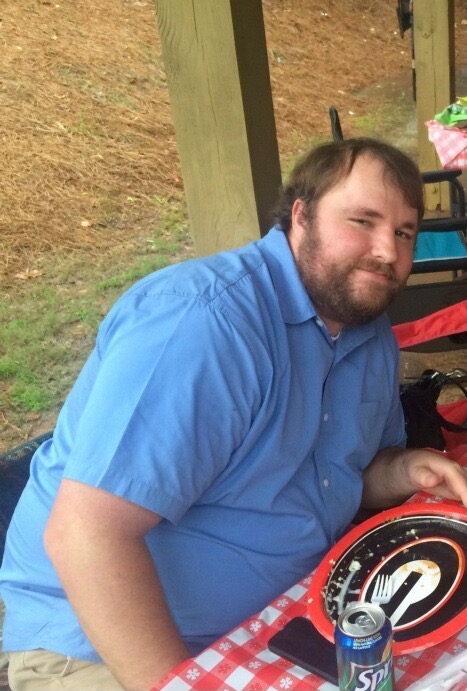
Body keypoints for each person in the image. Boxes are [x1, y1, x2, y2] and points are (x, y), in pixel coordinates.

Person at [1, 138, 466, 691]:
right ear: (301, 215)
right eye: (362, 221)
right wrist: (183, 684)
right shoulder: (205, 324)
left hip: (284, 621)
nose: (388, 252)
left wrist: (404, 469)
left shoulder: (368, 335)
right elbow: (86, 535)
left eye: (404, 233)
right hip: (101, 649)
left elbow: (334, 478)